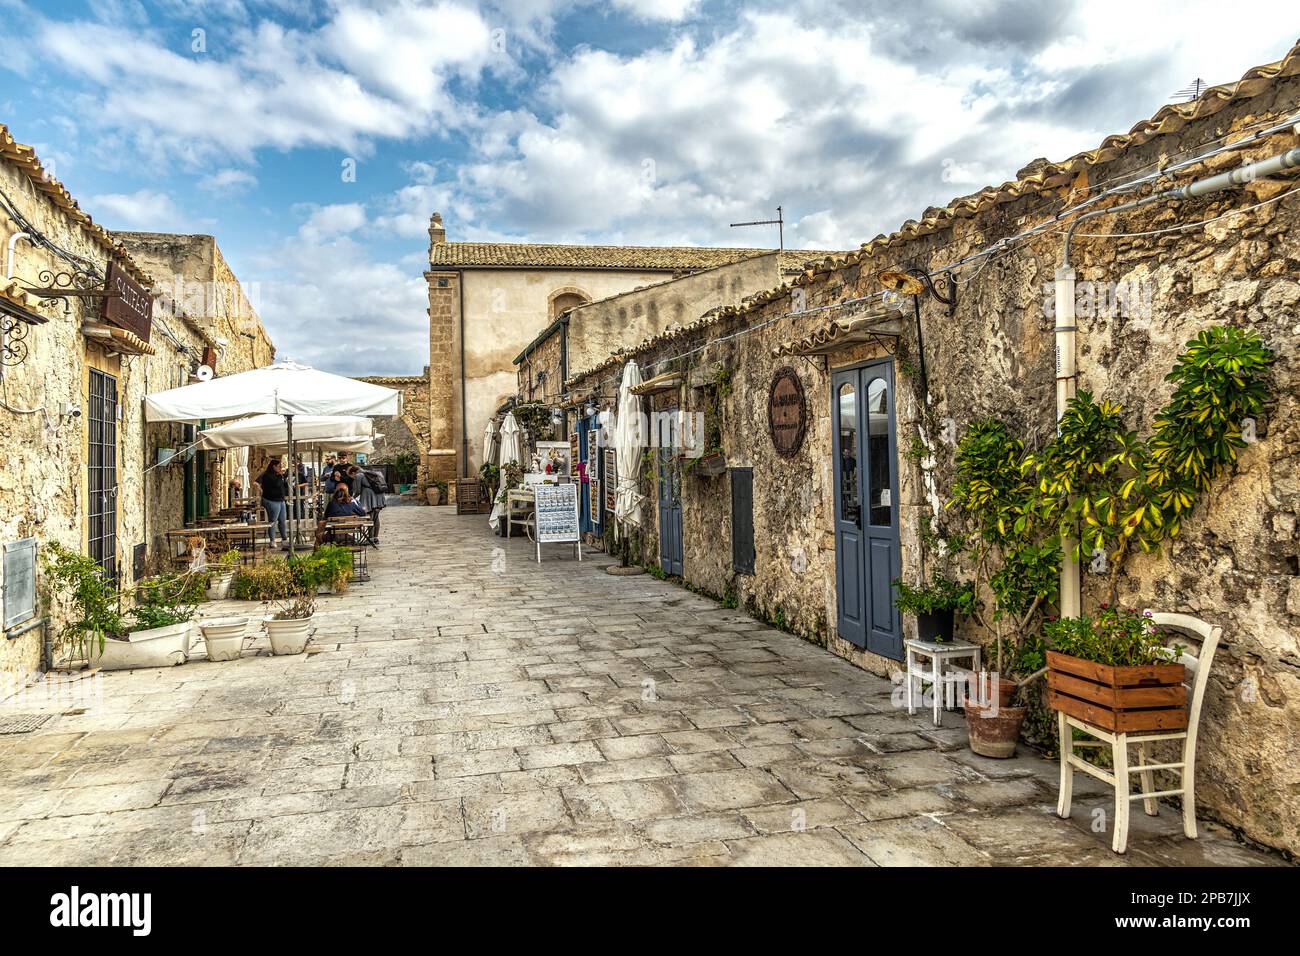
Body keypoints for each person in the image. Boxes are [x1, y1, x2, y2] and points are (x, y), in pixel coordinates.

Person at [258, 458, 289, 547]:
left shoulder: (278, 475)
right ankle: (272, 540)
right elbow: (276, 484)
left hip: (280, 499)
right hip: (271, 500)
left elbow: (283, 486)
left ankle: (284, 539)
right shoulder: (267, 475)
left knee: (282, 521)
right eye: (279, 466)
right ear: (273, 466)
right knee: (273, 521)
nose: (280, 468)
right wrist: (280, 475)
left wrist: (284, 477)